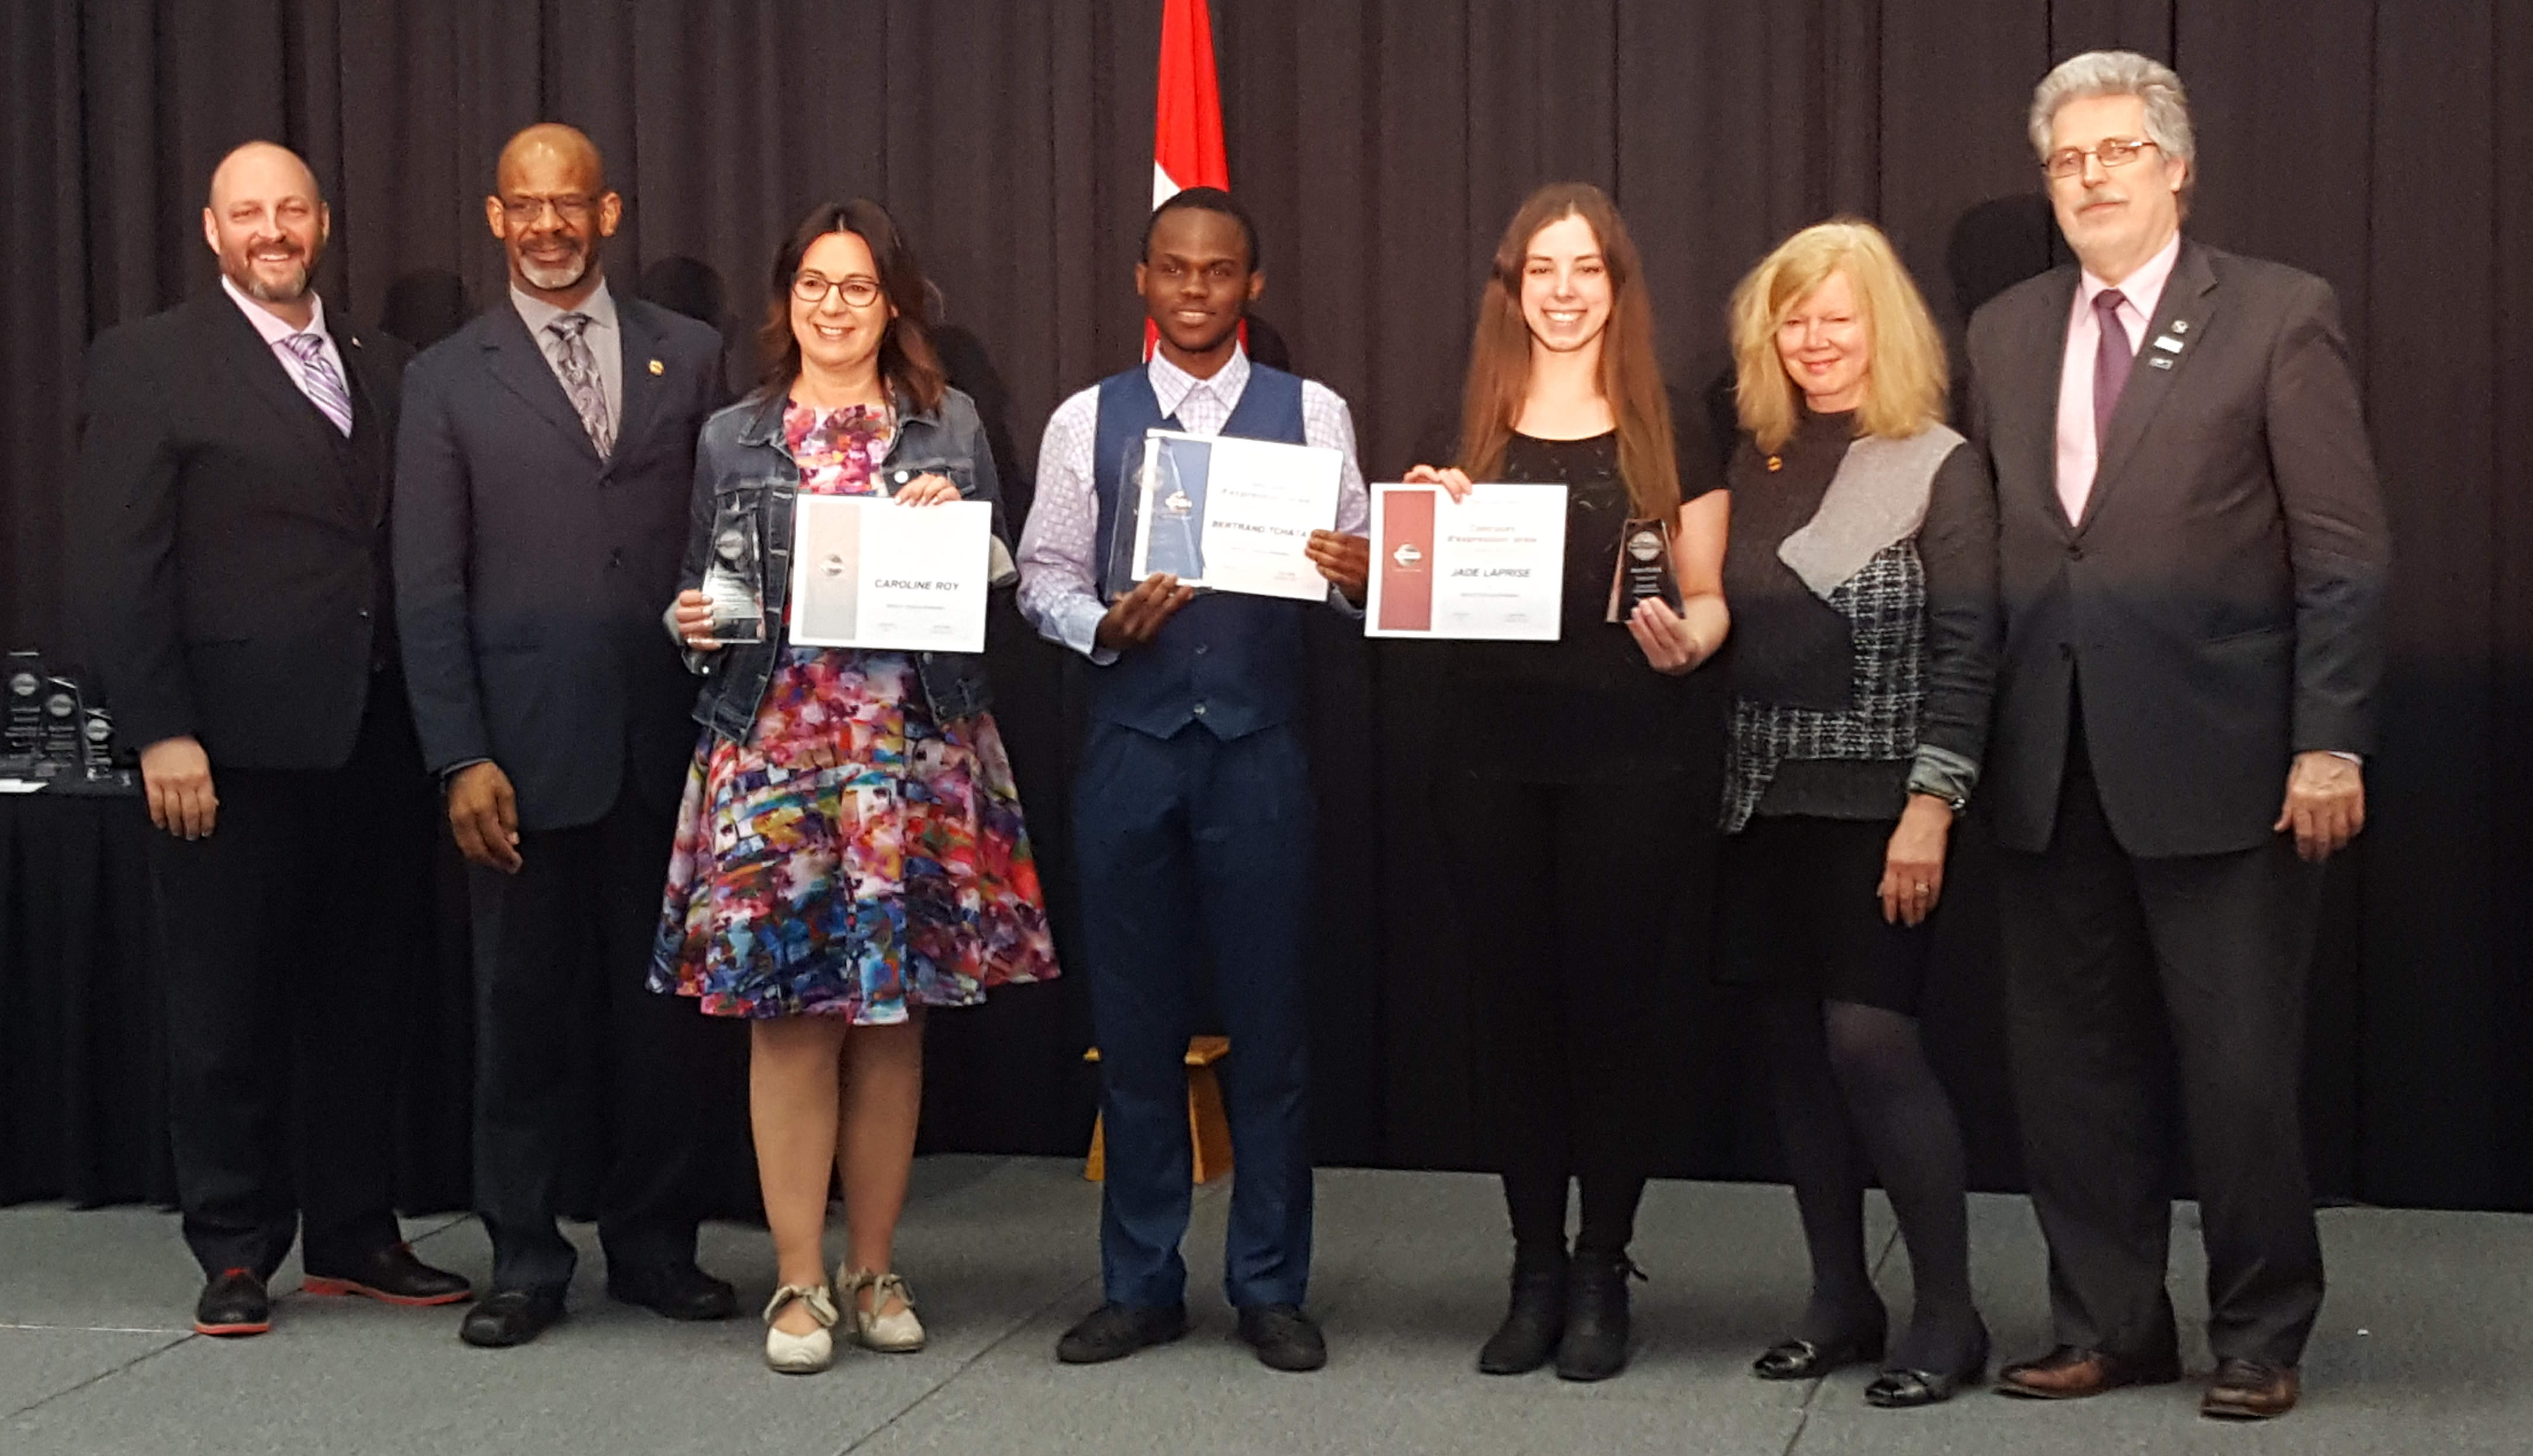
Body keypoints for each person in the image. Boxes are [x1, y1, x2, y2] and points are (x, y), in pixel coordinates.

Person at [1965, 52, 2390, 1420]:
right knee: (2069, 1068)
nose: (2090, 177)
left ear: (2176, 166)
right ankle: (2107, 1323)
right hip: (2047, 759)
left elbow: (2343, 550)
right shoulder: (2004, 330)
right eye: (2067, 160)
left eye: (2115, 152)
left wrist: (2330, 739)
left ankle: (2260, 1329)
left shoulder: (2274, 314)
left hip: (2229, 764)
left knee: (2239, 1068)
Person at [655, 199, 1061, 1375]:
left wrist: (968, 537)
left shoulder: (950, 425)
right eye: (815, 285)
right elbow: (705, 591)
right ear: (787, 301)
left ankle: (873, 1265)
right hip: (775, 751)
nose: (835, 306)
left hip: (911, 753)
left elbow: (1003, 578)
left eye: (859, 286)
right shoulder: (733, 435)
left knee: (890, 1023)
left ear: (895, 304)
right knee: (787, 1023)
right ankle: (793, 1279)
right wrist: (693, 623)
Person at [74, 141, 469, 1336]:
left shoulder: (387, 365)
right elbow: (116, 567)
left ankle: (354, 1232)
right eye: (248, 212)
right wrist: (159, 731)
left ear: (322, 222)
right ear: (212, 231)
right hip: (225, 753)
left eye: (290, 209)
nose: (272, 228)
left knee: (364, 1003)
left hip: (375, 737)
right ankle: (237, 1244)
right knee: (224, 1006)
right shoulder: (148, 363)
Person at [394, 123, 739, 1348]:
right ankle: (526, 1259)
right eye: (525, 206)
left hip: (669, 743)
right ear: (496, 218)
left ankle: (654, 1245)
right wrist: (458, 754)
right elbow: (427, 587)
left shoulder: (690, 356)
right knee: (522, 1019)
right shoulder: (443, 379)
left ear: (608, 211)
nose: (548, 225)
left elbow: (725, 537)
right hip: (519, 758)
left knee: (664, 1021)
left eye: (570, 204)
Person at [1016, 186, 1371, 1374]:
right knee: (1133, 1029)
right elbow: (1041, 577)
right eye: (1173, 268)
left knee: (1272, 1027)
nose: (1194, 290)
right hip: (1129, 745)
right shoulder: (1087, 421)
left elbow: (1359, 579)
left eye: (1218, 272)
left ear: (1251, 286)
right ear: (1142, 279)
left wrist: (1355, 571)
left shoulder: (1312, 414)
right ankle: (1140, 1283)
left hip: (1262, 749)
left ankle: (1269, 1283)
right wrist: (1100, 626)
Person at [1404, 182, 1729, 1382]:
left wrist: (1693, 639)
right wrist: (1423, 534)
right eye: (1540, 268)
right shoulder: (1473, 419)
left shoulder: (1666, 421)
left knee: (1612, 1021)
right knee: (1514, 1022)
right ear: (1511, 288)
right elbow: (1419, 590)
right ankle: (1531, 1268)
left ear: (1616, 286)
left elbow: (1706, 595)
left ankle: (1602, 1269)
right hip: (1484, 758)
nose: (1561, 289)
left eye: (1583, 267)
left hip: (1630, 760)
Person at [1715, 220, 1995, 1407]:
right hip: (1755, 803)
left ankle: (1947, 1314)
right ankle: (1840, 1298)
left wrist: (1931, 804)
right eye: (1793, 316)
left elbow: (1970, 647)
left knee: (1868, 1044)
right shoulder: (1746, 459)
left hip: (1883, 807)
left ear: (1882, 329)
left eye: (1837, 315)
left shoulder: (1937, 461)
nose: (1814, 338)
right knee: (1792, 1060)